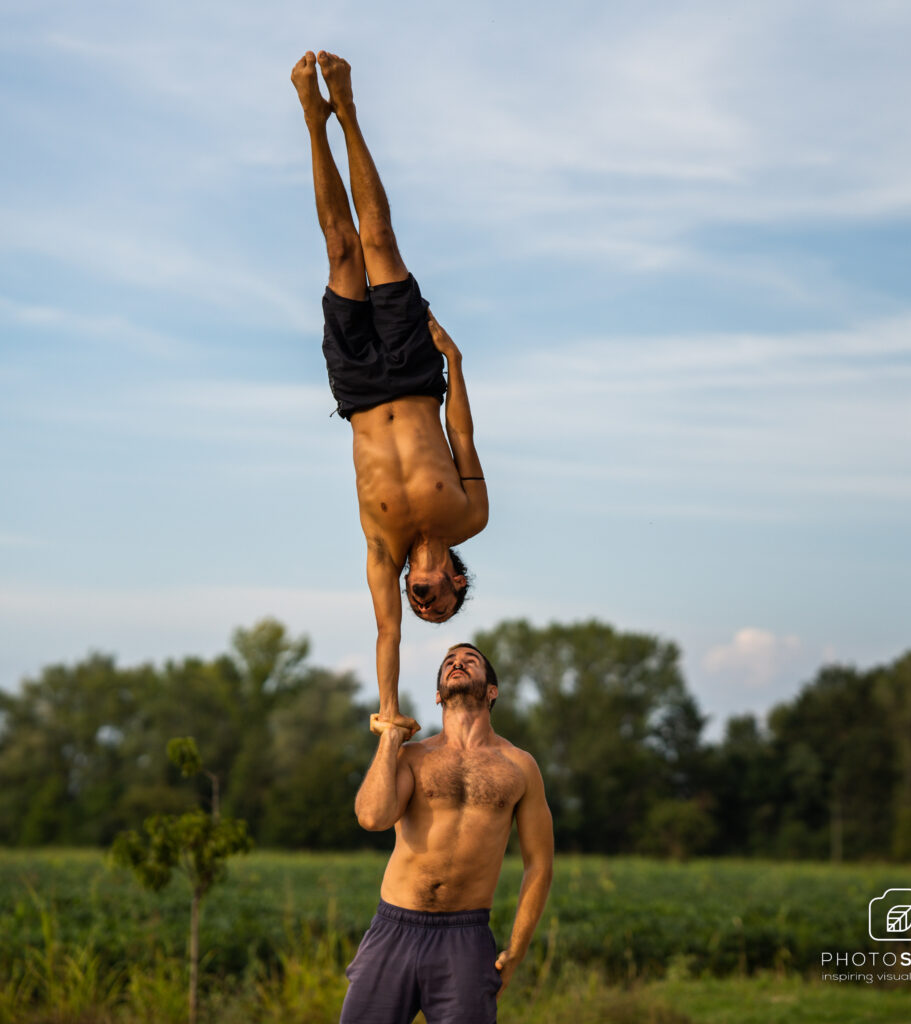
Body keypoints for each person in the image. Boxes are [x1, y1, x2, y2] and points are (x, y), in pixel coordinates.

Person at [291, 51, 489, 735]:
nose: (418, 599)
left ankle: (312, 122)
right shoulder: (470, 517)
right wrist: (455, 364)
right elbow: (462, 438)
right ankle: (347, 110)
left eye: (418, 601)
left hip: (356, 391)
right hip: (413, 374)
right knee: (378, 238)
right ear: (456, 583)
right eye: (432, 602)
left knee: (341, 249)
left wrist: (387, 712)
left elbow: (385, 638)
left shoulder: (382, 551)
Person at [342, 643, 554, 1024]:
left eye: (470, 660)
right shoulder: (414, 756)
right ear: (438, 694)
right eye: (449, 663)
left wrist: (517, 949)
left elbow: (539, 863)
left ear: (492, 690)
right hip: (394, 927)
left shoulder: (520, 766)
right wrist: (390, 740)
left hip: (466, 937)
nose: (457, 663)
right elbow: (372, 817)